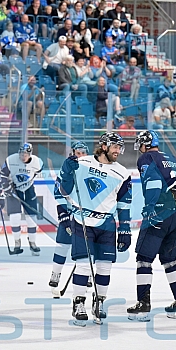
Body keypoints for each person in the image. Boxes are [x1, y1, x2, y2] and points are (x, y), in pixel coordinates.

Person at [57, 132, 132, 326]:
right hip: (82, 221)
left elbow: (124, 204)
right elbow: (64, 190)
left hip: (106, 224)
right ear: (104, 146)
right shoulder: (82, 163)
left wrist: (125, 229)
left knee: (105, 267)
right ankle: (78, 303)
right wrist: (66, 172)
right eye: (115, 146)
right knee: (83, 265)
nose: (118, 151)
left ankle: (99, 302)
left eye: (120, 147)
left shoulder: (123, 173)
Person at [126, 130, 176, 321]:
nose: (139, 147)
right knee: (169, 260)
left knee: (144, 259)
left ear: (146, 144)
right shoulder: (172, 158)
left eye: (140, 143)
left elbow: (154, 182)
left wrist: (149, 208)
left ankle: (143, 305)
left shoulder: (146, 158)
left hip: (159, 214)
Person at [49, 141, 90, 288]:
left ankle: (88, 274)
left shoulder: (91, 170)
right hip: (70, 214)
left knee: (89, 247)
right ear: (72, 154)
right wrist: (63, 214)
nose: (80, 156)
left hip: (87, 216)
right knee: (62, 245)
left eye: (83, 153)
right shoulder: (66, 169)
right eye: (77, 153)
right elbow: (58, 193)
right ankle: (56, 273)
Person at [1, 143, 44, 255]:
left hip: (28, 190)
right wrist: (7, 187)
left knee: (32, 218)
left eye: (26, 154)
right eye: (22, 153)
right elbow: (3, 176)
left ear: (30, 154)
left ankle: (32, 242)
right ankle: (17, 243)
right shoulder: (11, 160)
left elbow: (36, 173)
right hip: (14, 190)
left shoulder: (37, 163)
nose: (23, 156)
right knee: (15, 217)